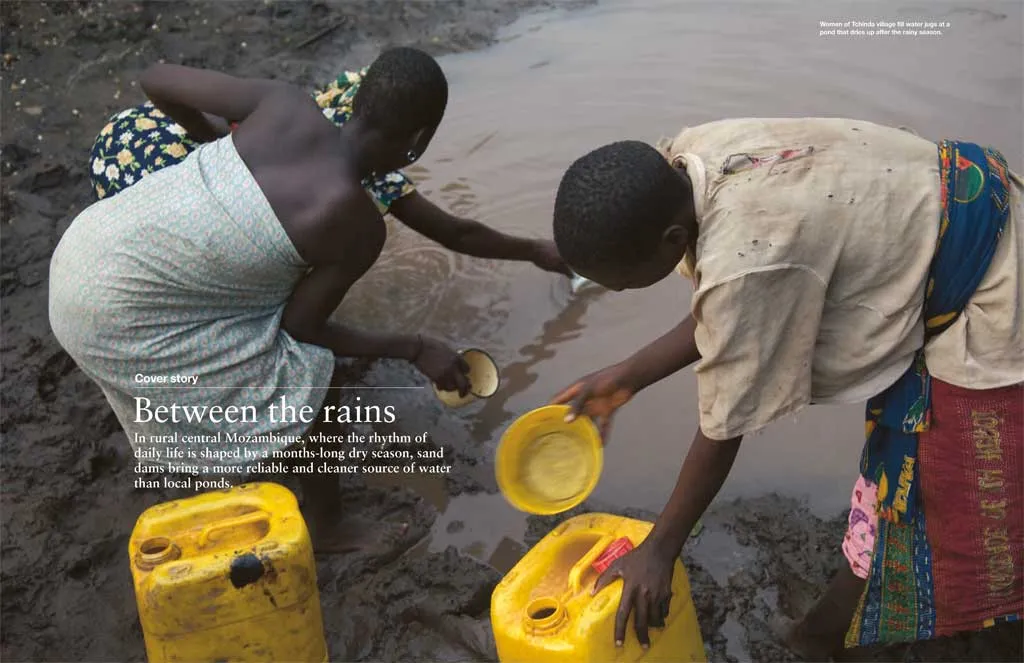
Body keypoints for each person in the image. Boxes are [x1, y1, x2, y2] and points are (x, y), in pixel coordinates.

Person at [48, 47, 566, 554]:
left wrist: (216, 149)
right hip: (113, 316)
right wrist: (415, 346)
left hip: (83, 250)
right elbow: (303, 329)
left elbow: (155, 76)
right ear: (419, 140)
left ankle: (212, 442)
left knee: (249, 330)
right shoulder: (355, 223)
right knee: (315, 377)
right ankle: (329, 526)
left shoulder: (282, 104)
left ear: (358, 101)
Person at [547, 119, 1022, 657]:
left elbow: (725, 420)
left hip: (995, 294)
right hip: (974, 196)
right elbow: (730, 309)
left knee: (938, 504)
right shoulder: (690, 156)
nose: (621, 291)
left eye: (624, 282)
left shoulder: (746, 258)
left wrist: (661, 548)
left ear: (673, 242)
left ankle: (822, 641)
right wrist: (631, 374)